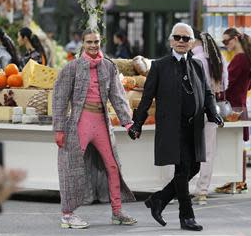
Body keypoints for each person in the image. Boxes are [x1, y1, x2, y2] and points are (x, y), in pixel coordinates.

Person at [128, 23, 223, 231]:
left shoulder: (197, 65)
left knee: (194, 167)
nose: (181, 42)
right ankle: (186, 216)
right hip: (173, 126)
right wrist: (137, 124)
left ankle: (159, 200)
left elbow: (207, 92)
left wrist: (213, 112)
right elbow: (146, 98)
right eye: (177, 38)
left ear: (191, 43)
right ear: (171, 40)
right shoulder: (160, 66)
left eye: (186, 38)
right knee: (182, 169)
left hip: (194, 126)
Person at [53, 29, 137, 229]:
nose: (93, 45)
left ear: (101, 42)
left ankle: (117, 211)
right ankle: (67, 214)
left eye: (96, 42)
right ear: (82, 43)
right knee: (71, 168)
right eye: (89, 42)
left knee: (113, 166)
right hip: (79, 123)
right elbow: (59, 99)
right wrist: (59, 129)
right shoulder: (71, 68)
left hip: (102, 123)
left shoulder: (109, 66)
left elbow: (118, 95)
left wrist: (128, 123)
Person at [215, 28, 251, 194]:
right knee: (237, 144)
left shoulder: (239, 59)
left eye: (227, 41)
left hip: (232, 108)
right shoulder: (247, 59)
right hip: (240, 106)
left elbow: (226, 84)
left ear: (235, 39)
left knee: (233, 144)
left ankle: (238, 180)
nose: (225, 44)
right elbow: (247, 85)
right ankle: (238, 180)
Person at [191, 30, 228, 205]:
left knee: (187, 148)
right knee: (209, 151)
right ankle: (202, 191)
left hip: (195, 107)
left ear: (195, 41)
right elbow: (225, 84)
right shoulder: (219, 59)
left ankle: (178, 188)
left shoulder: (194, 59)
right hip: (213, 107)